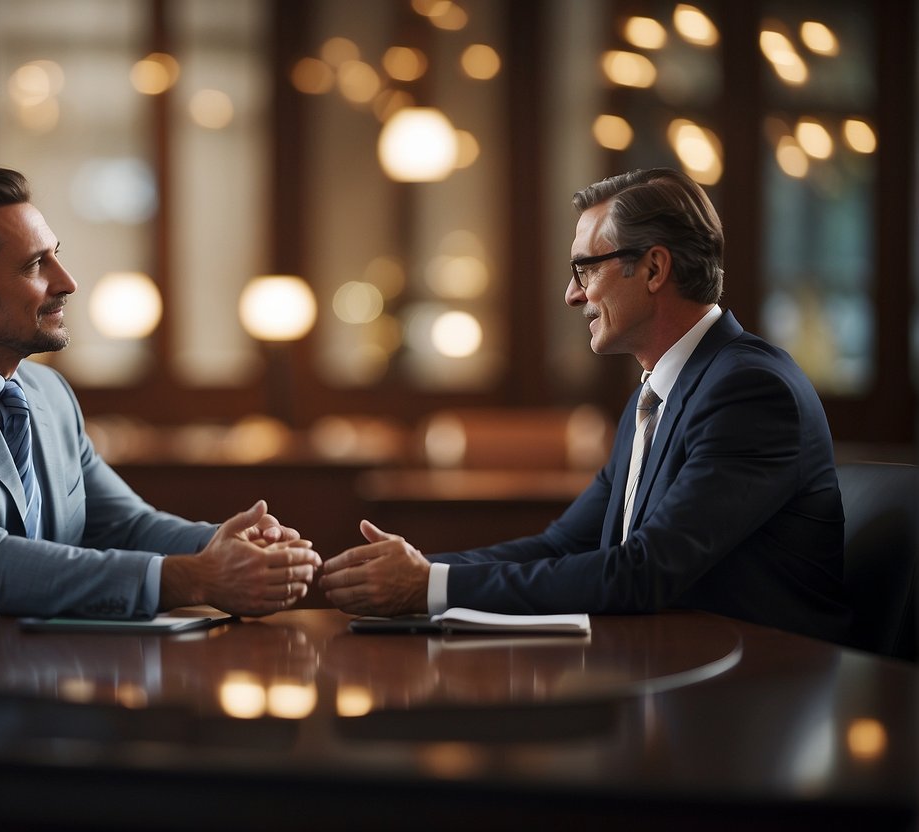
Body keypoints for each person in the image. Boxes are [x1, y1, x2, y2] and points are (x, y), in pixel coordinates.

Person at [321, 167, 851, 644]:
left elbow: (644, 572)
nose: (572, 295)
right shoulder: (656, 394)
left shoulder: (750, 391)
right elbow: (563, 545)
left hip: (762, 688)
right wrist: (413, 570)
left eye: (585, 270)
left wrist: (426, 585)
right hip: (680, 666)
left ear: (653, 269)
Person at [0, 167, 320, 636]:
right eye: (35, 265)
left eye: (55, 254)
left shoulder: (48, 394)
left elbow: (124, 524)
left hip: (33, 683)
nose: (66, 281)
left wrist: (227, 547)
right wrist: (197, 578)